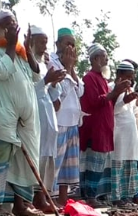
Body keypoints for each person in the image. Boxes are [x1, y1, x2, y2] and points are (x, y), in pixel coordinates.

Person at [0, 10, 42, 216]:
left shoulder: (20, 52)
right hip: (3, 116)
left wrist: (26, 49)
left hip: (26, 120)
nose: (12, 28)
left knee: (25, 164)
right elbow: (1, 71)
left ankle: (22, 205)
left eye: (14, 24)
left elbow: (36, 75)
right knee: (3, 162)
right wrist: (10, 45)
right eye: (6, 25)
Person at [79, 43, 131, 207]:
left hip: (105, 127)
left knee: (100, 163)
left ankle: (96, 196)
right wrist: (114, 92)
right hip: (95, 128)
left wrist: (119, 93)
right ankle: (90, 197)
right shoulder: (89, 78)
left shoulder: (102, 78)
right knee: (93, 163)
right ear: (95, 58)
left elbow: (109, 102)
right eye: (104, 55)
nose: (107, 59)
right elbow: (95, 101)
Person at [30, 25, 65, 213]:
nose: (45, 46)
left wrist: (53, 81)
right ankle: (37, 197)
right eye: (41, 42)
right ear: (32, 41)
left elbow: (53, 96)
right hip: (35, 115)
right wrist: (46, 80)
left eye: (46, 42)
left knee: (49, 155)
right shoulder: (27, 63)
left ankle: (45, 196)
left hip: (48, 114)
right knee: (39, 155)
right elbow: (29, 90)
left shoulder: (44, 64)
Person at [49, 28, 83, 206]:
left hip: (72, 121)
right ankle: (50, 198)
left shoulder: (71, 65)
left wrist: (71, 68)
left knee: (68, 165)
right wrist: (67, 67)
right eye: (67, 43)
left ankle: (64, 198)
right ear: (58, 44)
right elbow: (59, 90)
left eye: (73, 44)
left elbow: (80, 91)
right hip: (58, 118)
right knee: (56, 162)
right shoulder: (52, 61)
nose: (70, 47)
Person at [108, 60, 138, 208]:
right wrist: (124, 100)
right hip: (119, 132)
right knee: (118, 163)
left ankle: (126, 197)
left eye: (132, 77)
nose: (130, 80)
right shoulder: (112, 88)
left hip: (130, 132)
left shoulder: (129, 89)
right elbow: (112, 110)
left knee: (129, 165)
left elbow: (131, 111)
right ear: (119, 74)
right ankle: (116, 197)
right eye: (128, 76)